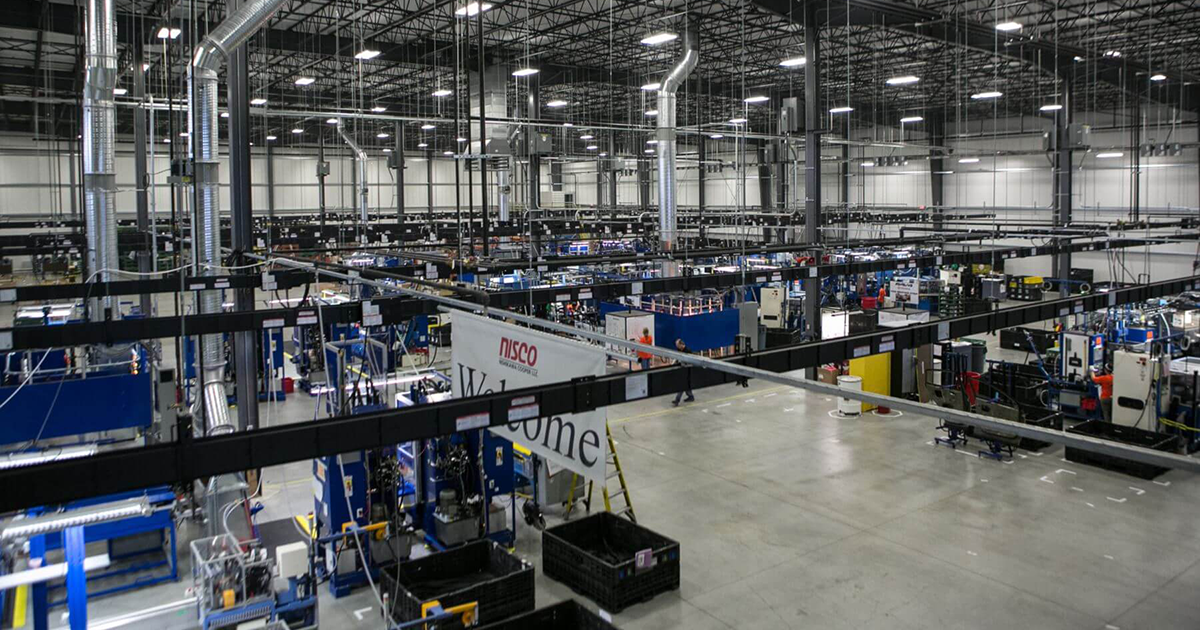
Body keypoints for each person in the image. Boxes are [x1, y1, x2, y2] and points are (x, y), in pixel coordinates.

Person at [672, 339, 696, 406]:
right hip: (682, 370)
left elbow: (692, 361)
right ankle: (691, 396)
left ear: (681, 345)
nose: (676, 347)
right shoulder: (679, 350)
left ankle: (677, 400)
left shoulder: (688, 351)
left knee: (682, 385)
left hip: (687, 370)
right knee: (686, 385)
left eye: (677, 345)